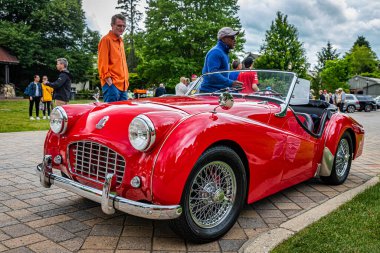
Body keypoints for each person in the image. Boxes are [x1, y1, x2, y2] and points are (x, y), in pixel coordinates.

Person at [200, 27, 243, 92]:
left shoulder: (224, 52)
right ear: (223, 39)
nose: (235, 40)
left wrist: (229, 87)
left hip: (218, 92)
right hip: (209, 92)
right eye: (232, 37)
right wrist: (231, 83)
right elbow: (212, 74)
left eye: (235, 37)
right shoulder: (216, 52)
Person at [98, 14, 129, 102]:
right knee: (111, 114)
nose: (122, 28)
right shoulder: (106, 40)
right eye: (119, 25)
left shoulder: (121, 41)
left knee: (123, 114)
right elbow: (102, 64)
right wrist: (110, 84)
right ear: (112, 25)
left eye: (124, 26)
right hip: (112, 86)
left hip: (123, 86)